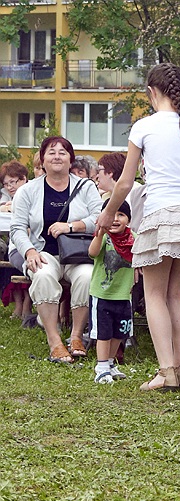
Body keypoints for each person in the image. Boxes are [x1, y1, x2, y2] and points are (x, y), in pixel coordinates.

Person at [97, 62, 180, 392]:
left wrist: (108, 214)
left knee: (154, 294)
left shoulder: (144, 127)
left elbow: (124, 182)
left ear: (151, 91)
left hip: (162, 212)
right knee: (178, 294)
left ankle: (166, 371)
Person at [9, 136, 102, 363]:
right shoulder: (27, 191)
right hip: (43, 252)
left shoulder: (86, 187)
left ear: (71, 159)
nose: (57, 156)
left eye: (62, 152)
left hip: (78, 254)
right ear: (42, 160)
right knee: (42, 274)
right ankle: (55, 341)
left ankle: (77, 337)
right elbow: (17, 228)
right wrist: (29, 251)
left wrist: (72, 226)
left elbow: (99, 218)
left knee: (87, 276)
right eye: (51, 152)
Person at [88, 199, 135, 384]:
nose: (115, 219)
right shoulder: (103, 237)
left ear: (128, 220)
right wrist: (99, 234)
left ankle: (109, 362)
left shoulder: (134, 238)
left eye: (121, 215)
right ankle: (101, 367)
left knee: (119, 333)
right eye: (111, 214)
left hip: (124, 295)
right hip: (102, 295)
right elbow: (92, 253)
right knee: (103, 333)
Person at [0, 161, 32, 321]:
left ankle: (27, 304)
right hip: (15, 245)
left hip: (35, 245)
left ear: (24, 178)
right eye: (6, 184)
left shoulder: (33, 193)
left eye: (13, 182)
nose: (10, 187)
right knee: (9, 256)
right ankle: (18, 303)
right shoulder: (8, 197)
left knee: (29, 261)